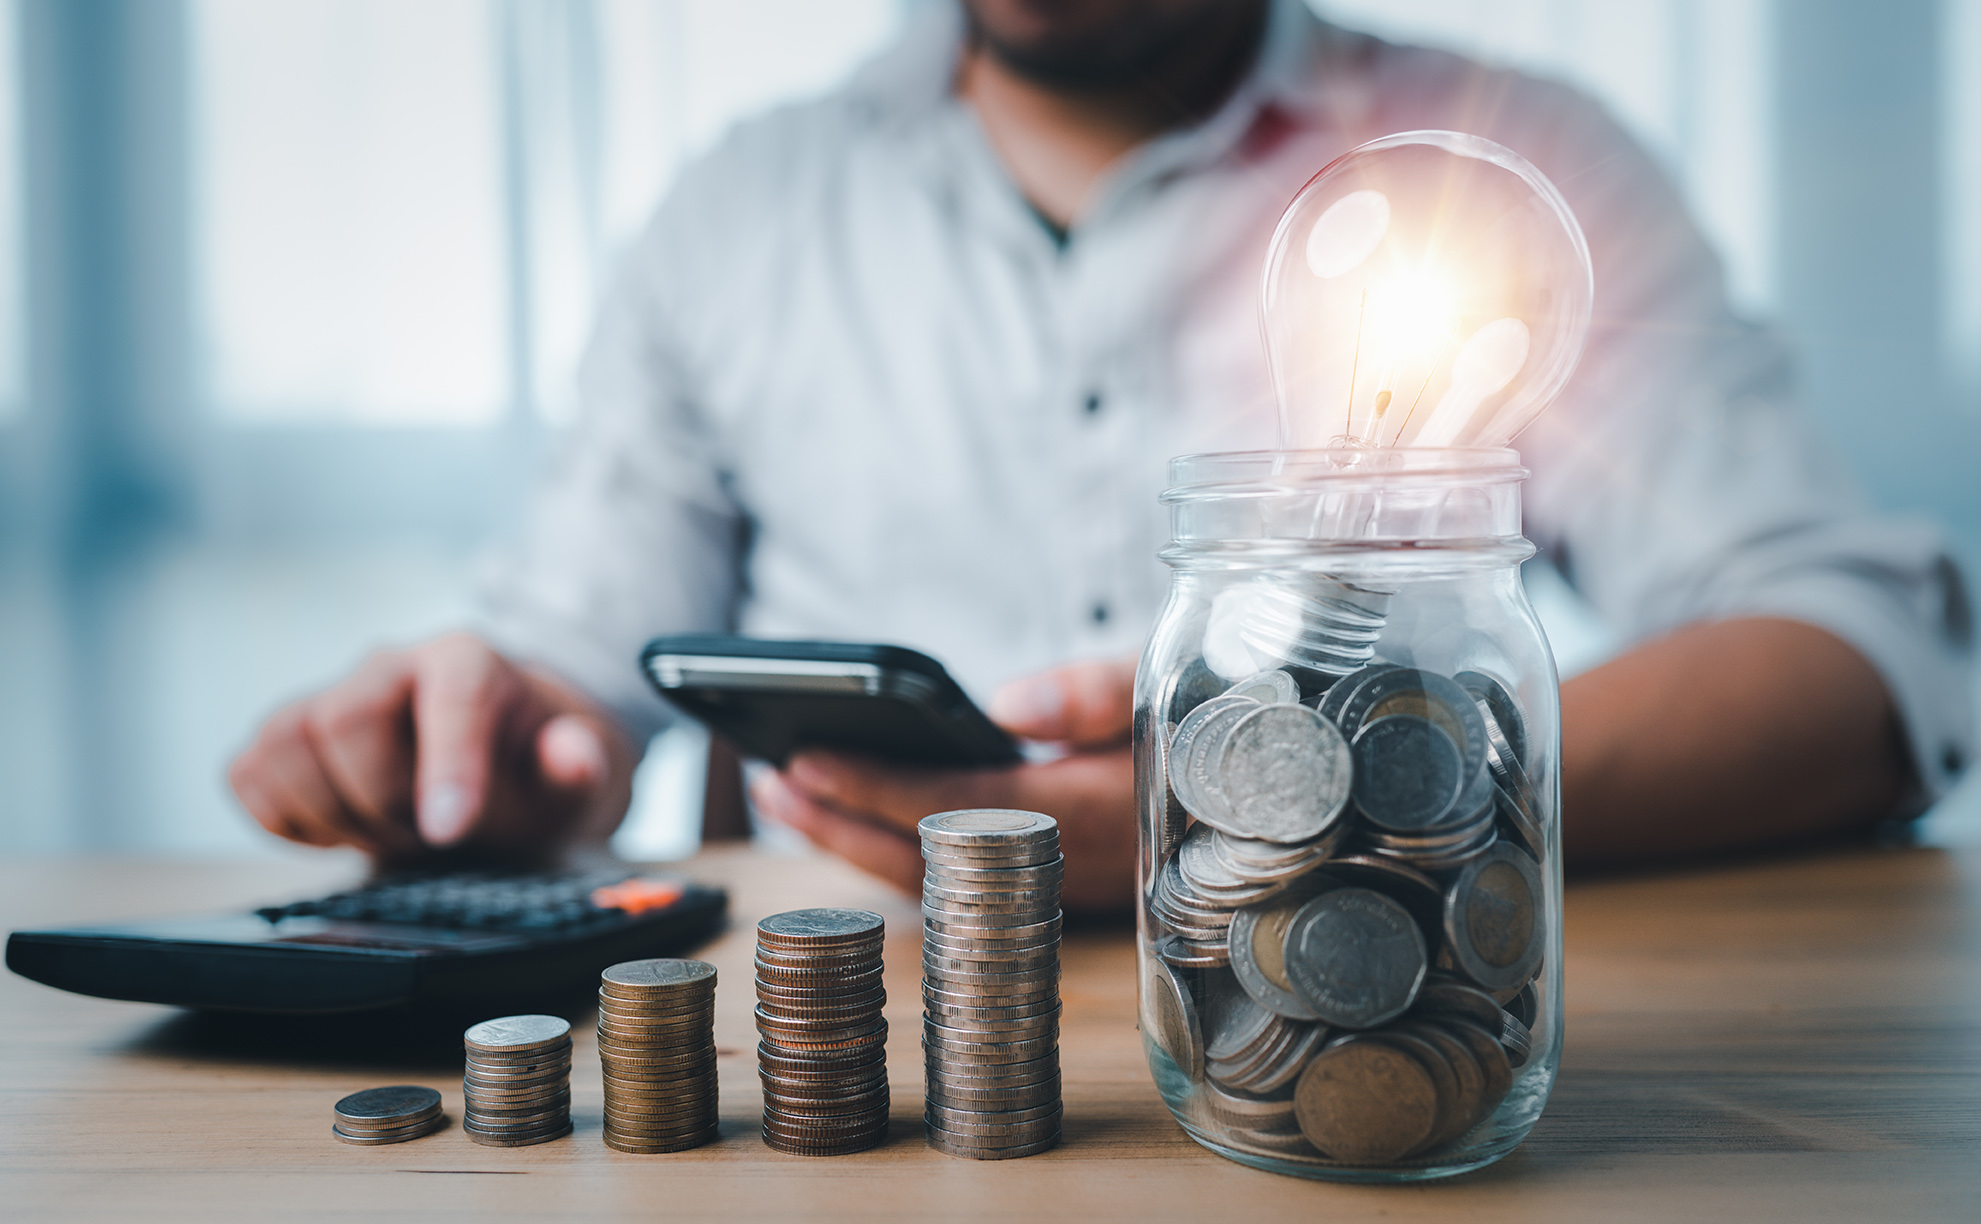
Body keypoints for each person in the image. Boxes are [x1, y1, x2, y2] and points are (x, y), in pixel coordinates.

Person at [228, 0, 1972, 911]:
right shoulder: (737, 215)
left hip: (1375, 1012)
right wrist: (486, 746)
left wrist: (1303, 807)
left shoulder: (1508, 169)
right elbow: (575, 666)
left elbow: (1865, 669)